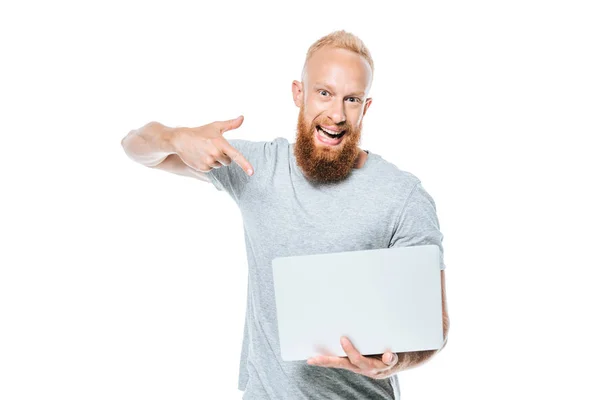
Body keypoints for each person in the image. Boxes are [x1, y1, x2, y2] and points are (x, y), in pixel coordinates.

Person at [121, 29, 449, 400]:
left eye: (352, 99)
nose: (337, 114)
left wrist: (393, 361)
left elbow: (432, 327)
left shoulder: (402, 196)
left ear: (366, 107)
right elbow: (134, 146)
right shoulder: (255, 167)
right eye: (324, 93)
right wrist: (174, 137)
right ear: (299, 93)